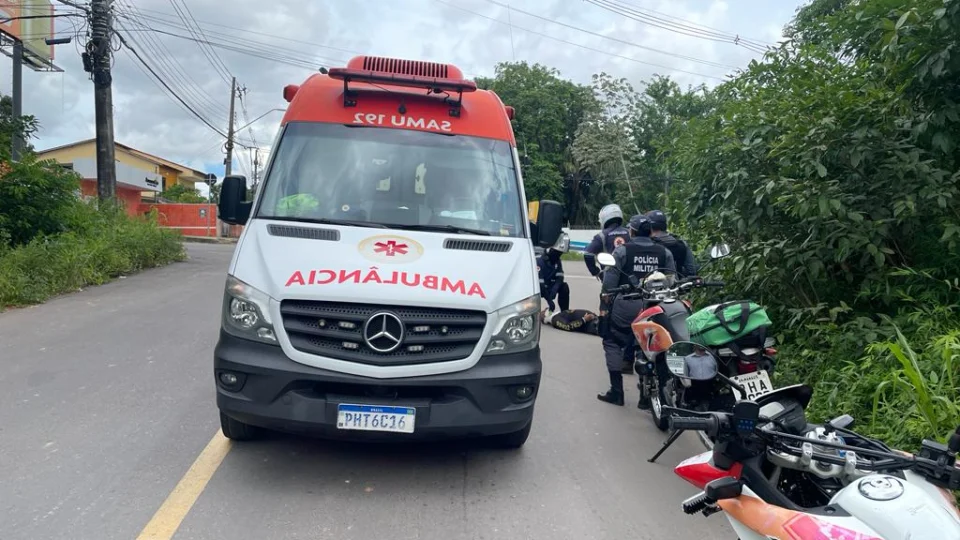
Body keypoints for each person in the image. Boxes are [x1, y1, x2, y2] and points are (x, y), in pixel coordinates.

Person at [597, 214, 676, 406]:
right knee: (648, 347)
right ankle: (646, 397)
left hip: (625, 305)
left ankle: (617, 392)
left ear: (631, 232)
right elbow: (672, 281)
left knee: (612, 342)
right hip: (654, 306)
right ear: (650, 231)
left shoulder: (622, 251)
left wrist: (605, 306)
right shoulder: (664, 252)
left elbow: (609, 285)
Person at [583, 204, 632, 373]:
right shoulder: (630, 232)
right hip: (630, 282)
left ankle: (613, 352)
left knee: (607, 315)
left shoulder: (602, 236)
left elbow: (588, 254)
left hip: (610, 282)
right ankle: (628, 355)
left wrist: (597, 272)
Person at [645, 210, 699, 279]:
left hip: (651, 286)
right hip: (676, 286)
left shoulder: (648, 245)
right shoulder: (682, 244)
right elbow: (691, 271)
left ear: (649, 226)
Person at [538, 234, 570, 315]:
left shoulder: (557, 261)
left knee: (564, 287)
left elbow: (560, 278)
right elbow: (540, 283)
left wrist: (555, 289)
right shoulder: (539, 261)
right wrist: (549, 301)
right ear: (550, 250)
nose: (558, 256)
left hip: (550, 285)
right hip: (539, 287)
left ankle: (565, 313)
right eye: (557, 253)